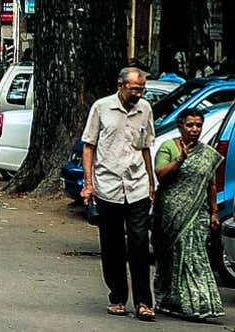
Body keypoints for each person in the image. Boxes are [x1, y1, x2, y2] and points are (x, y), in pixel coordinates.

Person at [81, 66, 158, 321]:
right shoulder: (102, 108)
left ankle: (144, 302)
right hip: (108, 186)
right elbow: (89, 146)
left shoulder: (145, 109)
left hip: (136, 185)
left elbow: (146, 146)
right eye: (135, 88)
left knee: (138, 242)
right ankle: (117, 296)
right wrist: (88, 183)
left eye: (142, 89)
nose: (139, 93)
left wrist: (151, 182)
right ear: (120, 85)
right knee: (112, 244)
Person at [152, 107, 223, 321]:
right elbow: (160, 175)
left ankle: (198, 304)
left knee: (194, 257)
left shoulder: (207, 153)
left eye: (198, 125)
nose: (194, 129)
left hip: (198, 214)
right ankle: (169, 301)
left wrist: (214, 212)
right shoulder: (168, 147)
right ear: (180, 126)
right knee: (171, 258)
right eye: (189, 125)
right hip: (171, 213)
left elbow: (211, 184)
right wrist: (180, 159)